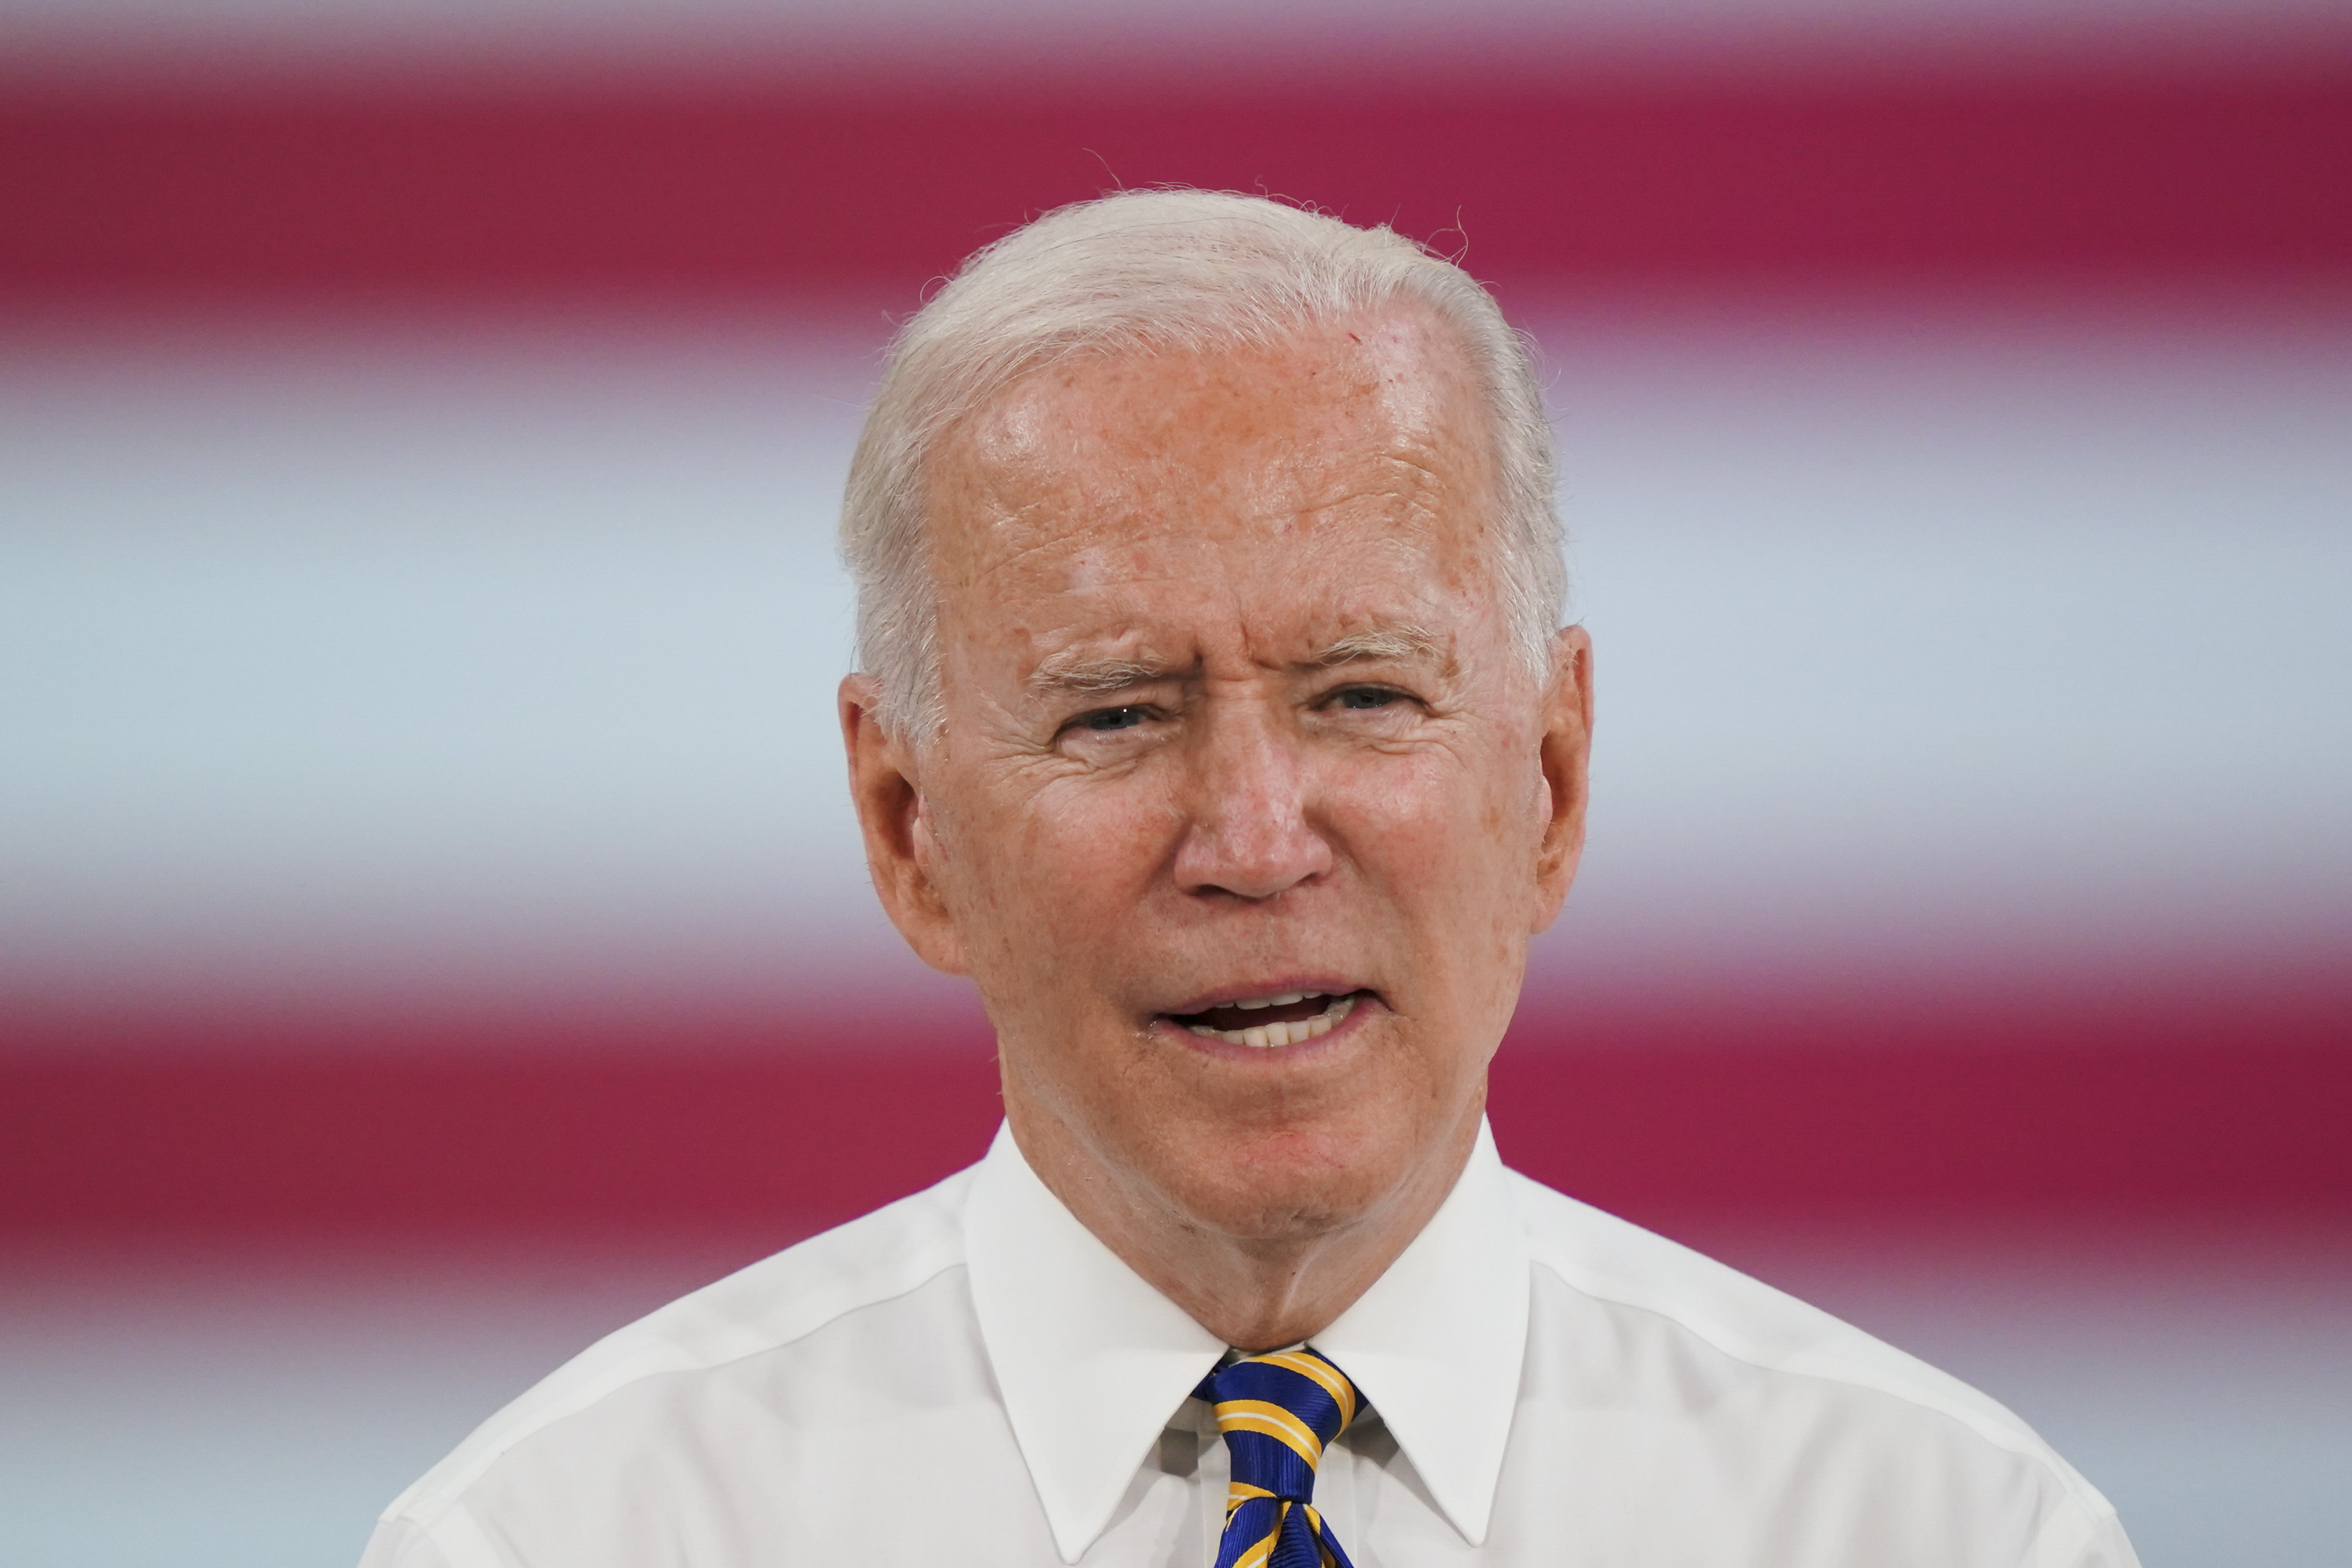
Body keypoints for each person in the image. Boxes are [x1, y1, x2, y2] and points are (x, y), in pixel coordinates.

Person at [359, 189, 2138, 1568]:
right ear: (912, 832)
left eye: (1364, 695)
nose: (1258, 838)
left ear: (1550, 779)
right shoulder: (572, 1538)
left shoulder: (1938, 1530)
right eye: (1118, 714)